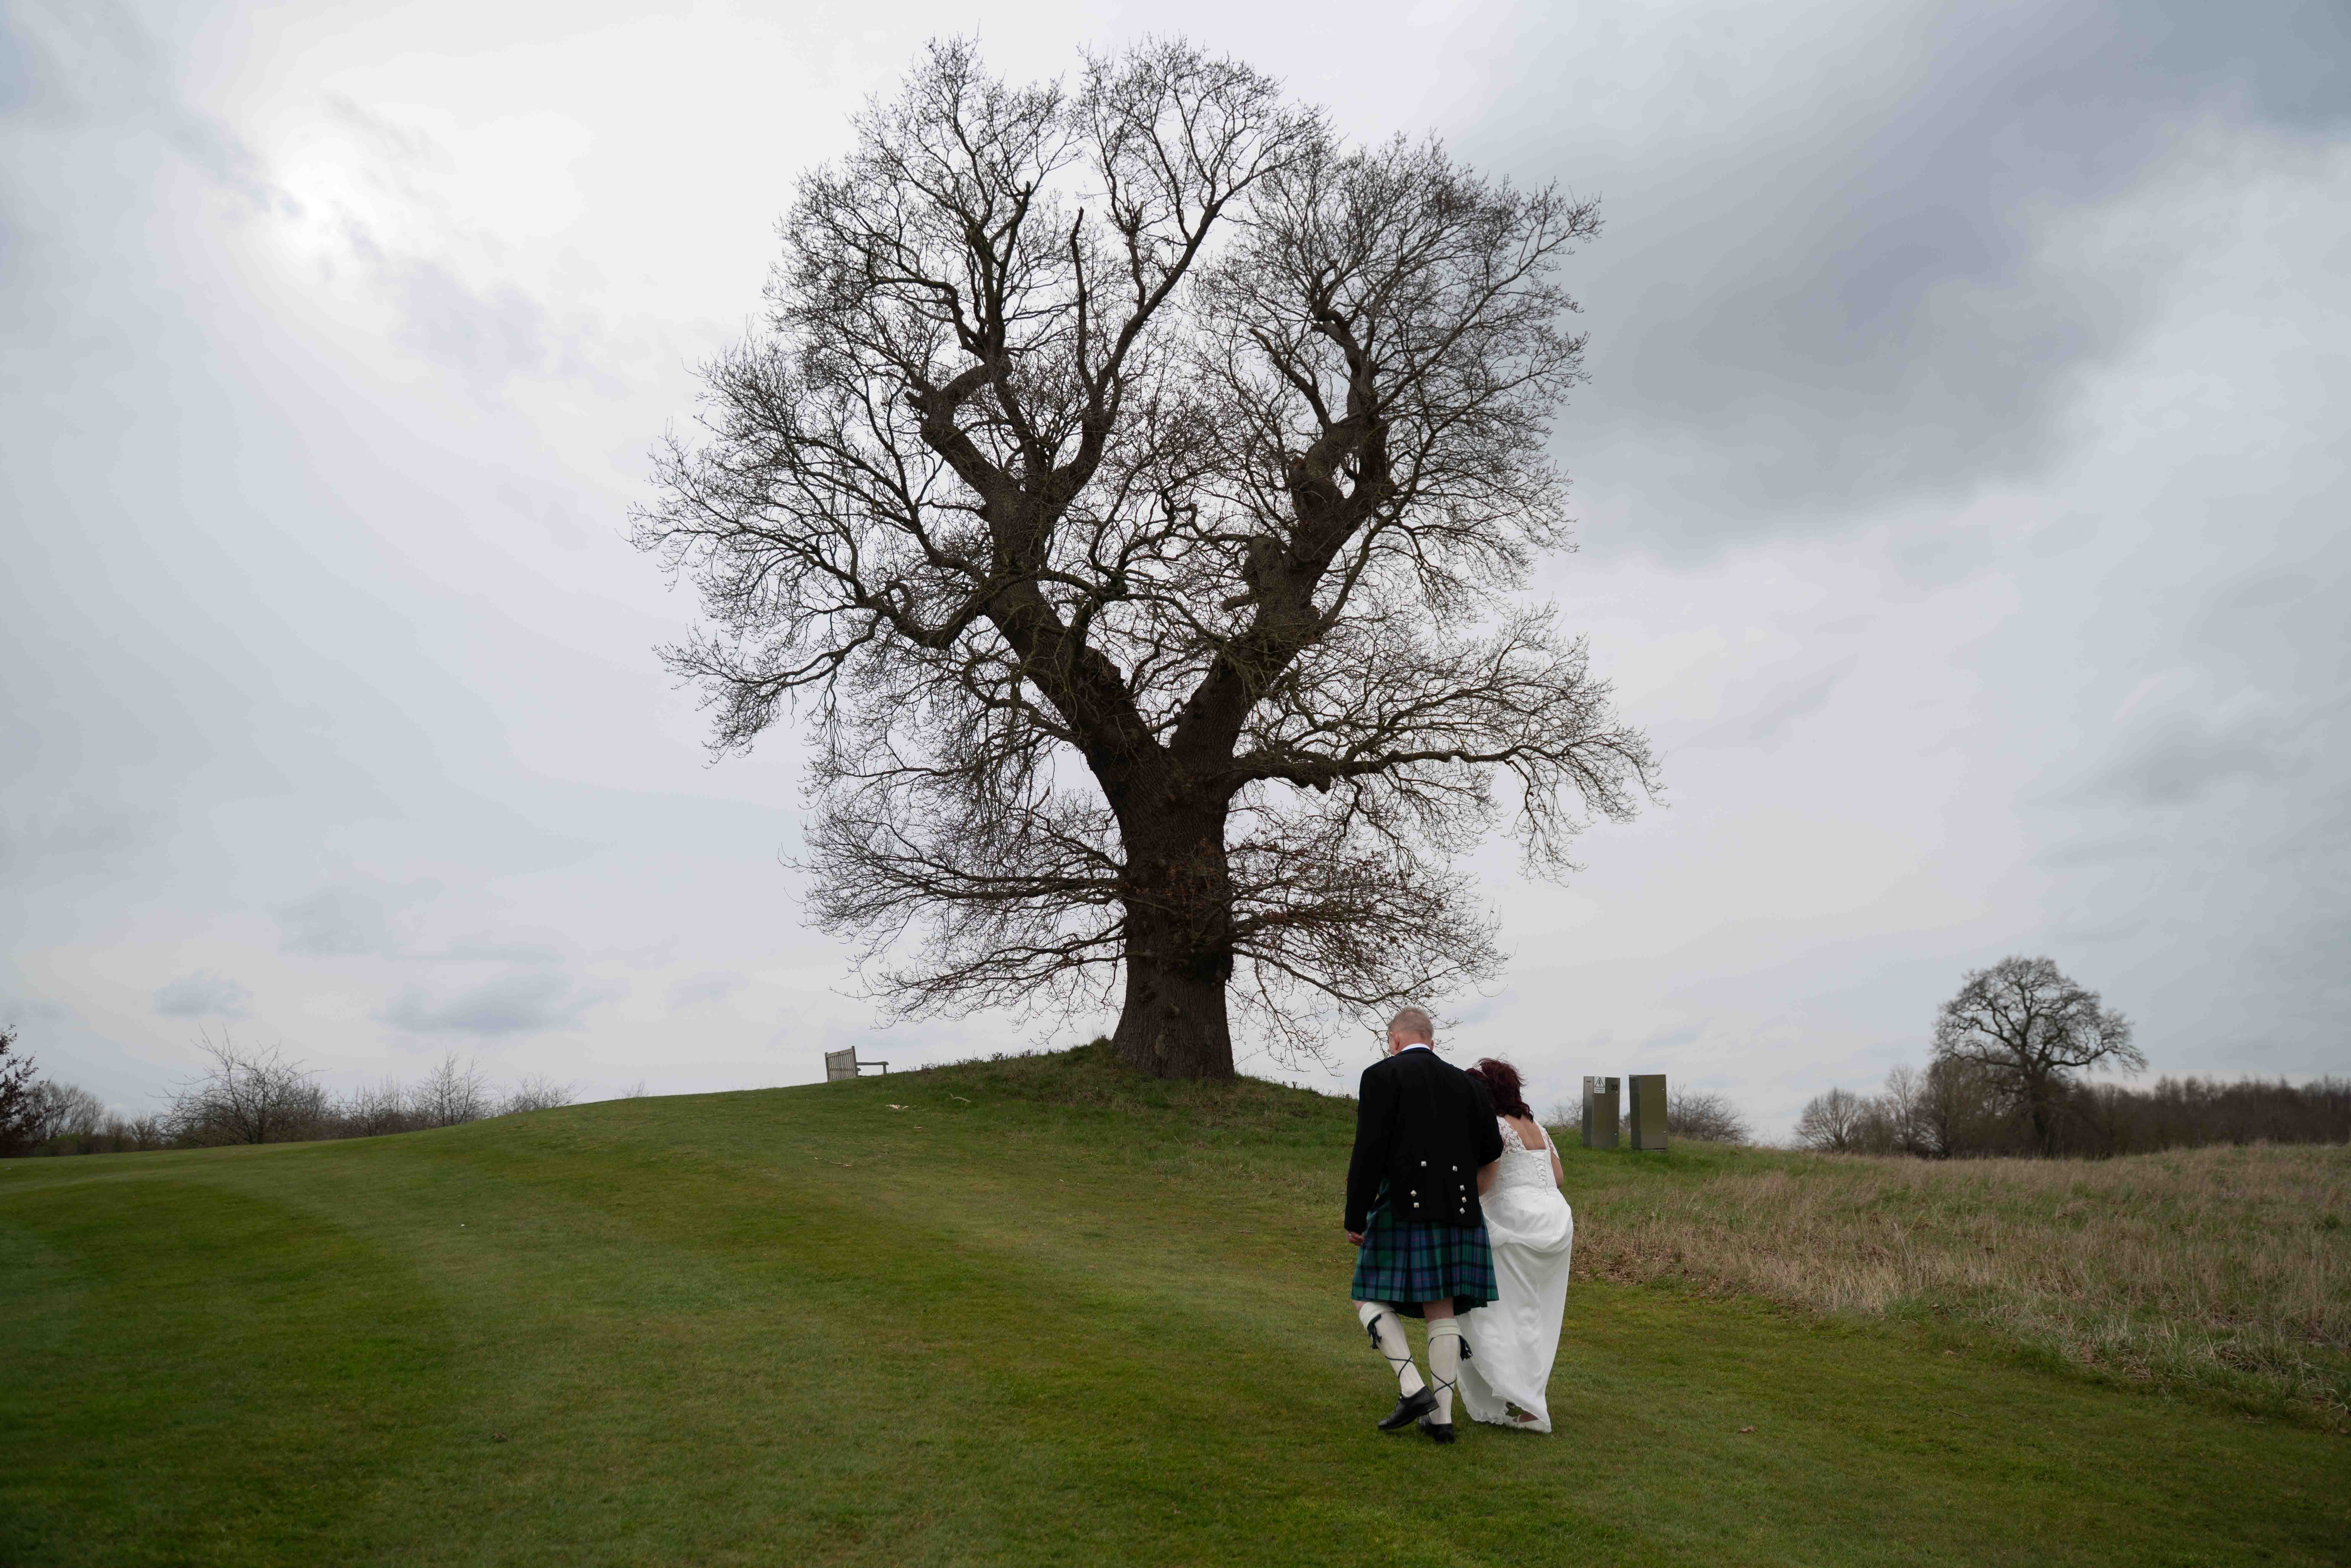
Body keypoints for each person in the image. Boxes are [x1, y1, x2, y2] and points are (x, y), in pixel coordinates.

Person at [1343, 1007, 1505, 1445]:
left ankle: (1413, 1390)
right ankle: (1443, 1420)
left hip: (1403, 1208)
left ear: (1395, 1039)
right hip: (1460, 1212)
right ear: (1431, 1040)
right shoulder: (1469, 1085)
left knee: (1365, 1296)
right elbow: (1491, 1148)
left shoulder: (1381, 1076)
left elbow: (1368, 1152)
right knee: (1442, 1310)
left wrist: (1354, 1217)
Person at [1454, 1058, 1574, 1433]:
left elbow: (1485, 1183)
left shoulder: (1493, 1126)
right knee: (1537, 1312)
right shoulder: (1537, 1126)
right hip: (1555, 1221)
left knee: (1488, 1310)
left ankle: (1521, 1397)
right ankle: (1523, 1396)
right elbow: (1557, 1176)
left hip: (1513, 1222)